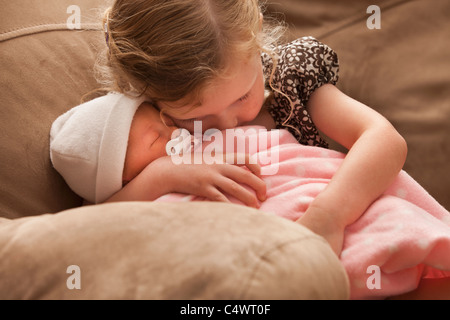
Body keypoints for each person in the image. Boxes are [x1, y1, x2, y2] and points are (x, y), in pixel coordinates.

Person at [50, 96, 450, 300]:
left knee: (392, 230)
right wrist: (160, 178)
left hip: (324, 201)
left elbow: (282, 158)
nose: (175, 135)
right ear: (120, 177)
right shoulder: (135, 201)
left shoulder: (224, 126)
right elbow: (95, 226)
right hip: (271, 256)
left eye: (167, 122)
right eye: (156, 138)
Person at [91, 0, 407, 256]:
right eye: (194, 117)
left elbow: (384, 139)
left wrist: (329, 216)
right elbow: (89, 224)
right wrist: (162, 175)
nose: (228, 122)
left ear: (256, 31)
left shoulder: (288, 82)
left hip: (330, 230)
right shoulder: (146, 124)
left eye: (242, 96)